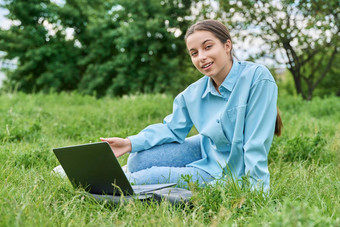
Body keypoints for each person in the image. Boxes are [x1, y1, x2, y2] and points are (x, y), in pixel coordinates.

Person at [101, 19, 282, 191]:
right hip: (205, 148)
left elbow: (255, 145)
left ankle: (112, 181)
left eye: (208, 47)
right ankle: (129, 170)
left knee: (139, 180)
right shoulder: (193, 93)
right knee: (136, 160)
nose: (201, 57)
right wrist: (128, 143)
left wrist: (257, 193)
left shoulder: (257, 78)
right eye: (194, 53)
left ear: (227, 46)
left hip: (223, 171)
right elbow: (171, 129)